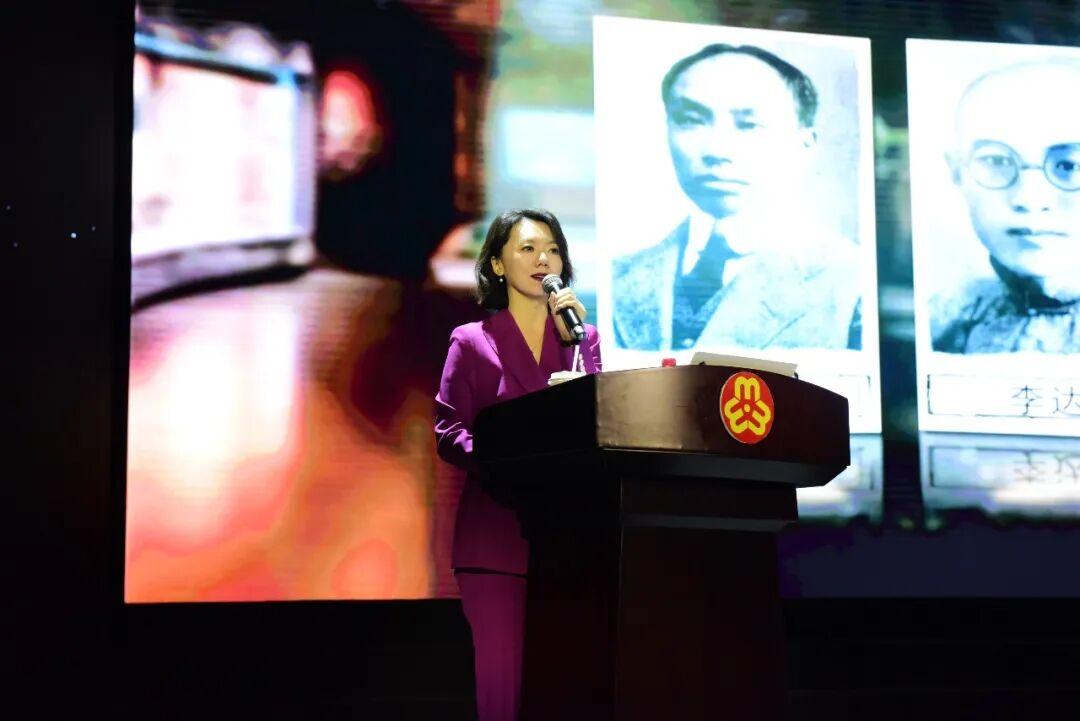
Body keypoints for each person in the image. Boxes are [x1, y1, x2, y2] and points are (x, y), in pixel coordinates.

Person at [434, 208, 602, 721]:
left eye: (552, 250)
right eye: (527, 248)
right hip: (496, 536)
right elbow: (449, 432)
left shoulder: (584, 340)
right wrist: (503, 464)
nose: (542, 259)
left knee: (565, 688)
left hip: (569, 539)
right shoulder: (471, 341)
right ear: (498, 264)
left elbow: (602, 425)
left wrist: (575, 348)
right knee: (502, 692)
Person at [611, 43, 861, 352]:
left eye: (748, 125)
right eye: (691, 120)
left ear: (804, 146)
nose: (717, 150)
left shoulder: (853, 282)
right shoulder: (615, 276)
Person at [931, 59, 1080, 354]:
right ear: (957, 171)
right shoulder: (940, 321)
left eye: (1069, 165)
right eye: (996, 161)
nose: (1029, 199)